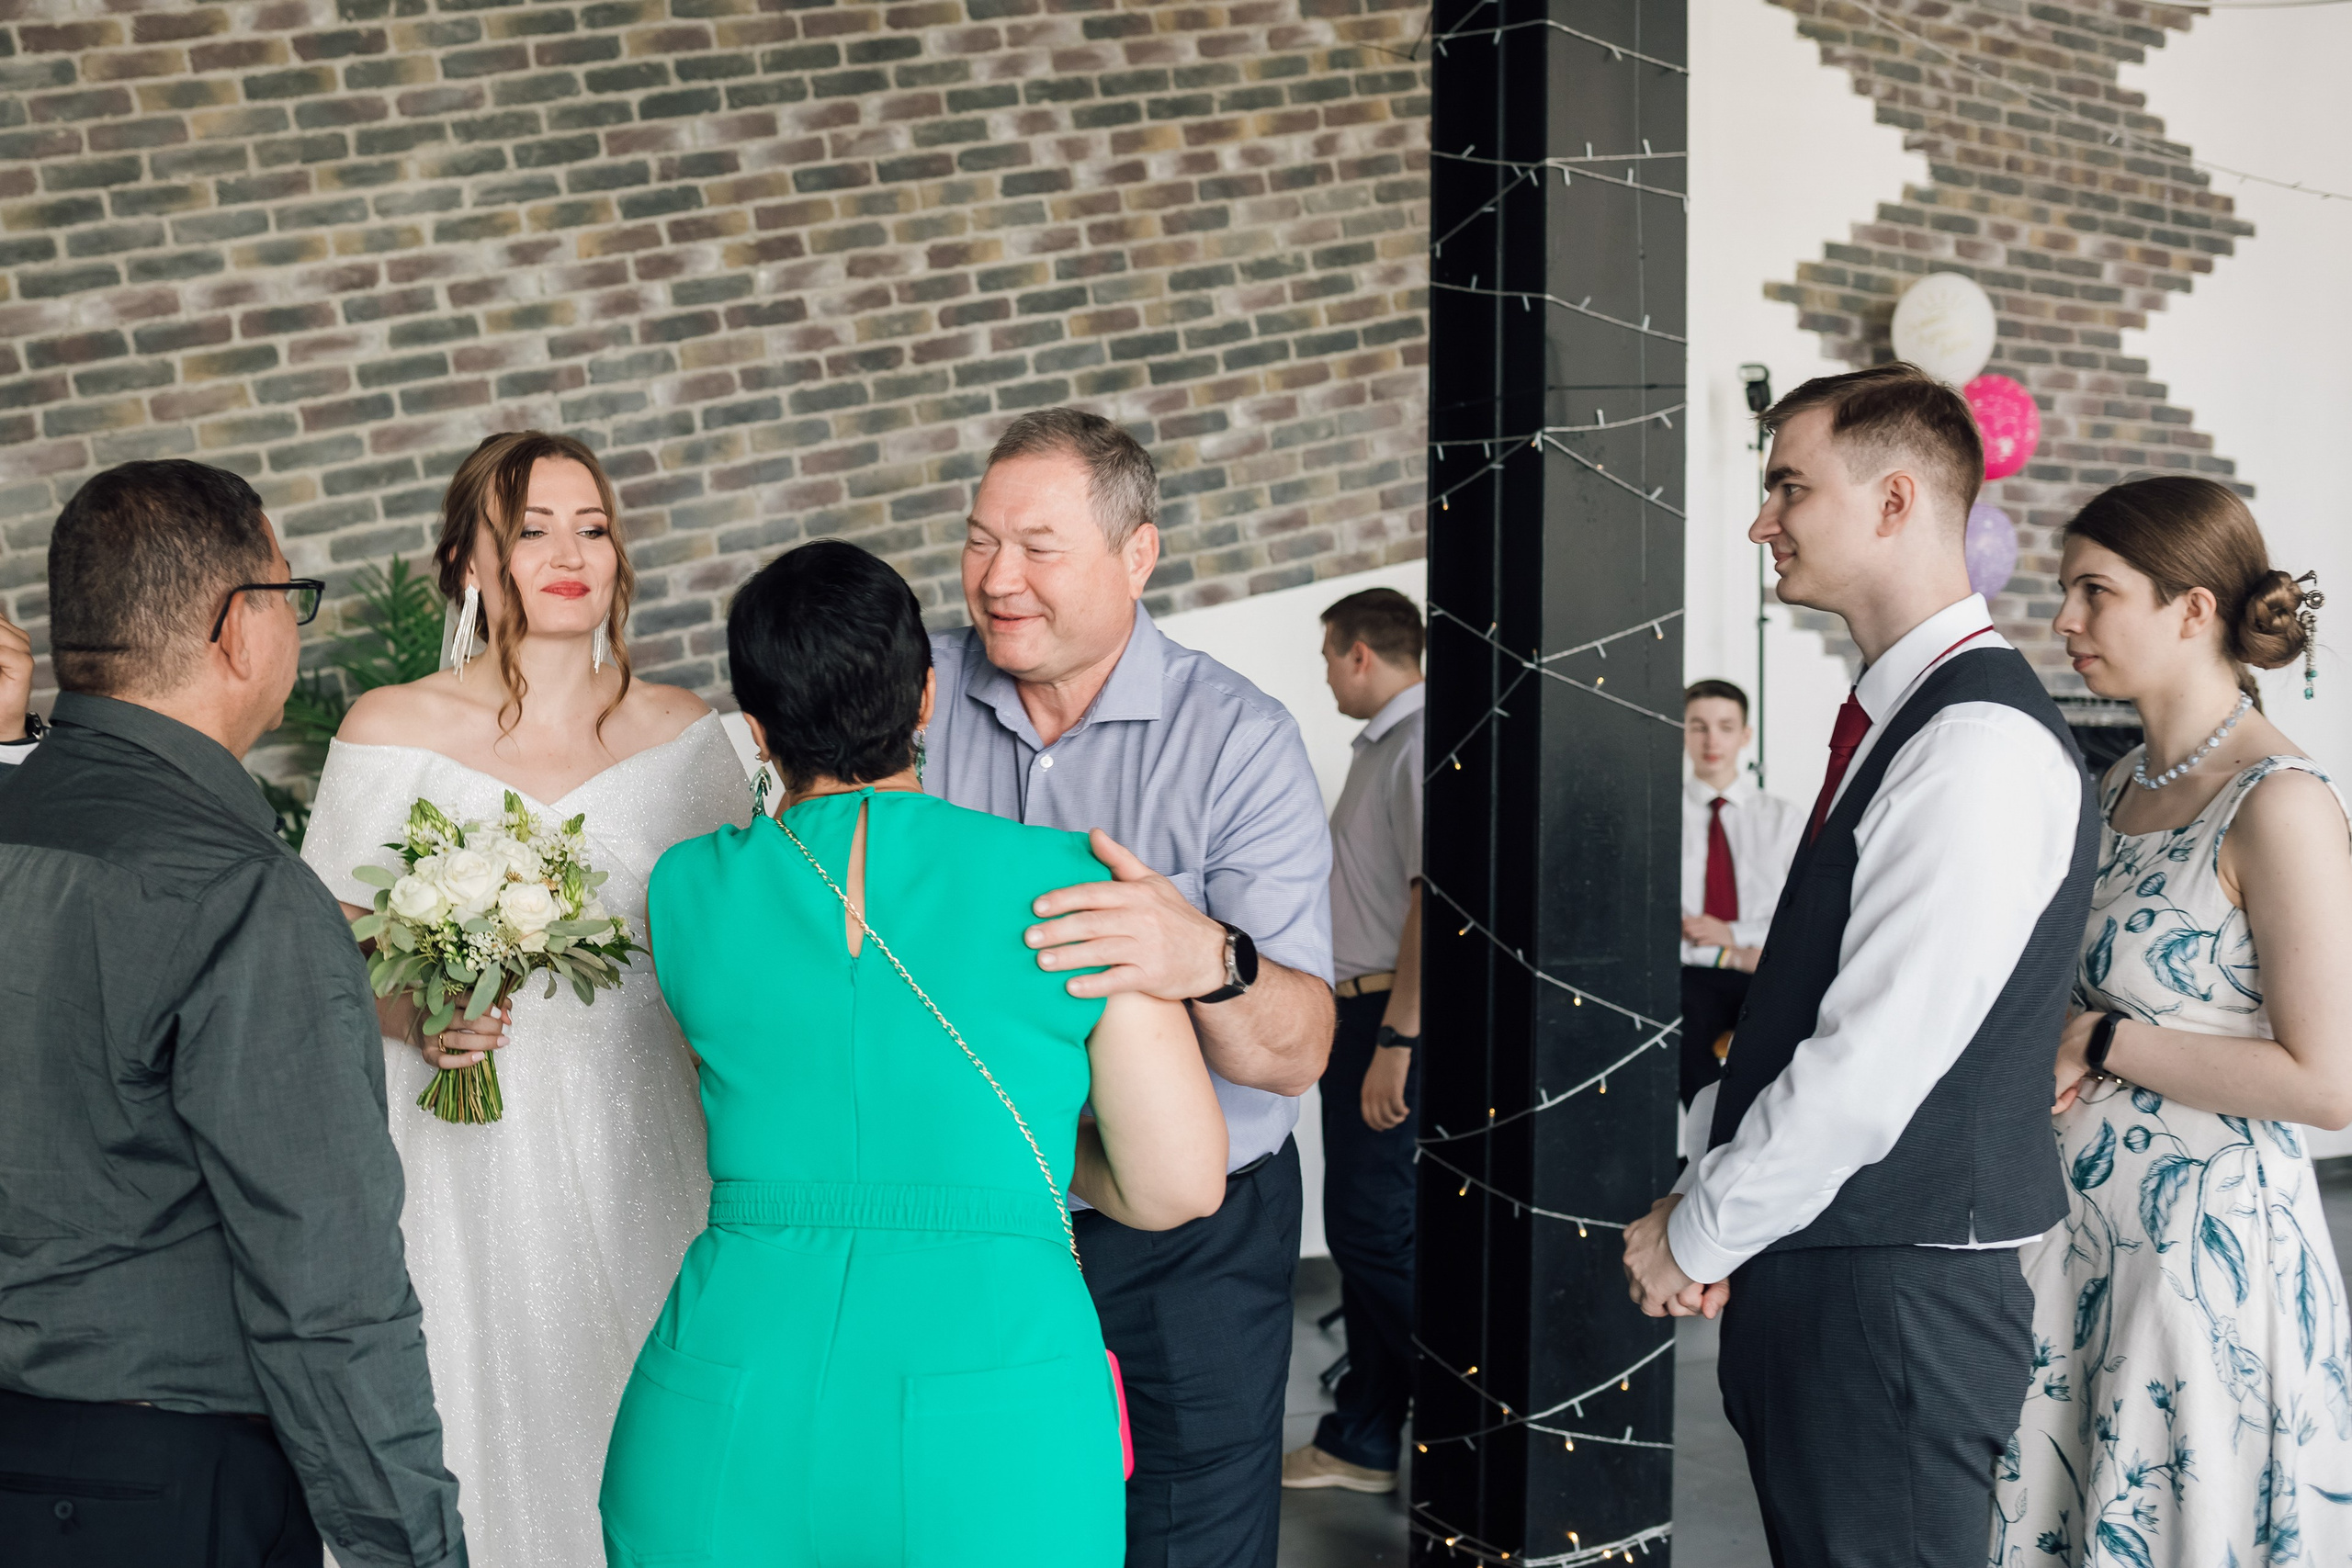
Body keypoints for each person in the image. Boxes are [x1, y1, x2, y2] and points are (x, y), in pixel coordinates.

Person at [598, 539, 1229, 1565]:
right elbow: (1177, 1185)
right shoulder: (1072, 885)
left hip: (724, 1398)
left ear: (756, 730)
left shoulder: (684, 892)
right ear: (926, 697)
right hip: (989, 1407)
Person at [1619, 362, 2098, 1565]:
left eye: (1788, 486)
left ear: (1893, 501)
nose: (1759, 520)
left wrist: (1701, 1229)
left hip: (1899, 1289)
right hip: (1847, 1263)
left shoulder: (1975, 740)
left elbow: (1871, 1060)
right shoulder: (1911, 718)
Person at [0, 460, 465, 1566]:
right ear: (238, 630)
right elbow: (328, 1298)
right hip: (168, 1491)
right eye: (288, 595)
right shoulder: (242, 894)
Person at [299, 432, 747, 1566]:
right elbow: (320, 953)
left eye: (591, 528)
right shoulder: (393, 729)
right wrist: (418, 1015)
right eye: (531, 529)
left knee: (665, 1428)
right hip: (465, 1151)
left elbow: (740, 946)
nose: (569, 553)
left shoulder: (689, 734)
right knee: (485, 1410)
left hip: (652, 1127)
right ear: (466, 562)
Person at [924, 407, 1336, 1565]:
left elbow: (1297, 1049)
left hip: (1188, 1238)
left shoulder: (1237, 740)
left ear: (1137, 555)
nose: (997, 579)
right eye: (977, 541)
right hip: (974, 1211)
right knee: (971, 1525)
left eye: (1038, 548)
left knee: (1184, 1536)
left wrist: (1202, 959)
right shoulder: (914, 692)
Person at [1993, 478, 2352, 1565]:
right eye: (2066, 592)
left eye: (2094, 593)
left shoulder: (2278, 803)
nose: (2064, 622)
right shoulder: (2113, 793)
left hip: (2202, 1265)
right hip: (2079, 1248)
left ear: (2191, 609)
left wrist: (2101, 1041)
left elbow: (2329, 1084)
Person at [1283, 586, 1427, 1495]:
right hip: (1359, 1015)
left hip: (1385, 1018)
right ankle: (1363, 1441)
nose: (1328, 673)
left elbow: (1432, 901)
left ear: (1361, 654)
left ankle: (1480, 1401)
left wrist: (1398, 1039)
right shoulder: (1385, 749)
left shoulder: (1414, 747)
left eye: (1330, 655)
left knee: (1372, 1231)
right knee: (1367, 1227)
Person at [1677, 679, 1802, 1105]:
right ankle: (1705, 1152)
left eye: (1725, 727)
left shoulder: (1782, 820)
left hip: (1765, 970)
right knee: (1683, 1027)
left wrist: (1735, 934)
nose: (1712, 740)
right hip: (1691, 978)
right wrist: (1729, 953)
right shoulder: (1662, 817)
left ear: (1745, 735)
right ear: (1682, 731)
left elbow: (1804, 914)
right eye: (1698, 726)